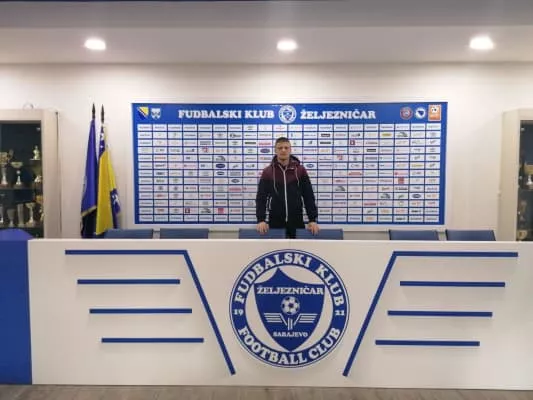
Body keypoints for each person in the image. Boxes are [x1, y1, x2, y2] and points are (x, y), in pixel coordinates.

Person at [256, 137, 319, 238]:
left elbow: (308, 196)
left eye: (286, 147)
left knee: (297, 247)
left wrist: (312, 220)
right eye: (280, 148)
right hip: (275, 221)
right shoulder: (268, 172)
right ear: (275, 150)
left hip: (297, 220)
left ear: (290, 149)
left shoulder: (300, 170)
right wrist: (261, 220)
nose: (283, 150)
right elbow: (261, 198)